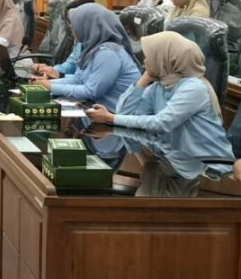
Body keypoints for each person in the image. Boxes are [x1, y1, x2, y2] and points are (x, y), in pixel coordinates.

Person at [86, 31, 241, 181]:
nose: (145, 61)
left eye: (150, 56)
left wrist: (111, 118)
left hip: (197, 165)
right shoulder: (160, 85)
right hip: (170, 156)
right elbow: (126, 114)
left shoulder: (193, 87)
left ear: (164, 58)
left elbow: (161, 124)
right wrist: (145, 78)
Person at [32, 3, 140, 108]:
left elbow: (91, 91)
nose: (71, 28)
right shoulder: (91, 48)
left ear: (88, 27)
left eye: (75, 25)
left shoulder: (108, 53)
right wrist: (45, 83)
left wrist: (51, 87)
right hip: (98, 109)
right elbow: (78, 79)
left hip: (114, 113)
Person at [31, 0, 95, 79]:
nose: (70, 26)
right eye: (68, 21)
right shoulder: (79, 40)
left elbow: (86, 81)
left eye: (72, 20)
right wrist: (50, 70)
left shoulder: (103, 48)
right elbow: (71, 64)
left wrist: (60, 76)